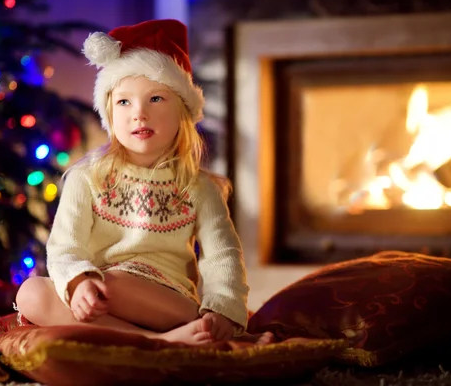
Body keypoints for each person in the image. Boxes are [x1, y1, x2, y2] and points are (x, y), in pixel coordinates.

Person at [15, 19, 273, 346]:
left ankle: (171, 333)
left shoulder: (200, 188)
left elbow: (223, 257)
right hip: (100, 301)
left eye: (155, 99)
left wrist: (222, 310)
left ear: (182, 110)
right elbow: (65, 248)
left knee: (114, 284)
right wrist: (78, 282)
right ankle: (156, 342)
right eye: (124, 101)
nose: (139, 113)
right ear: (109, 112)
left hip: (166, 303)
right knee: (32, 293)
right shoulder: (86, 177)